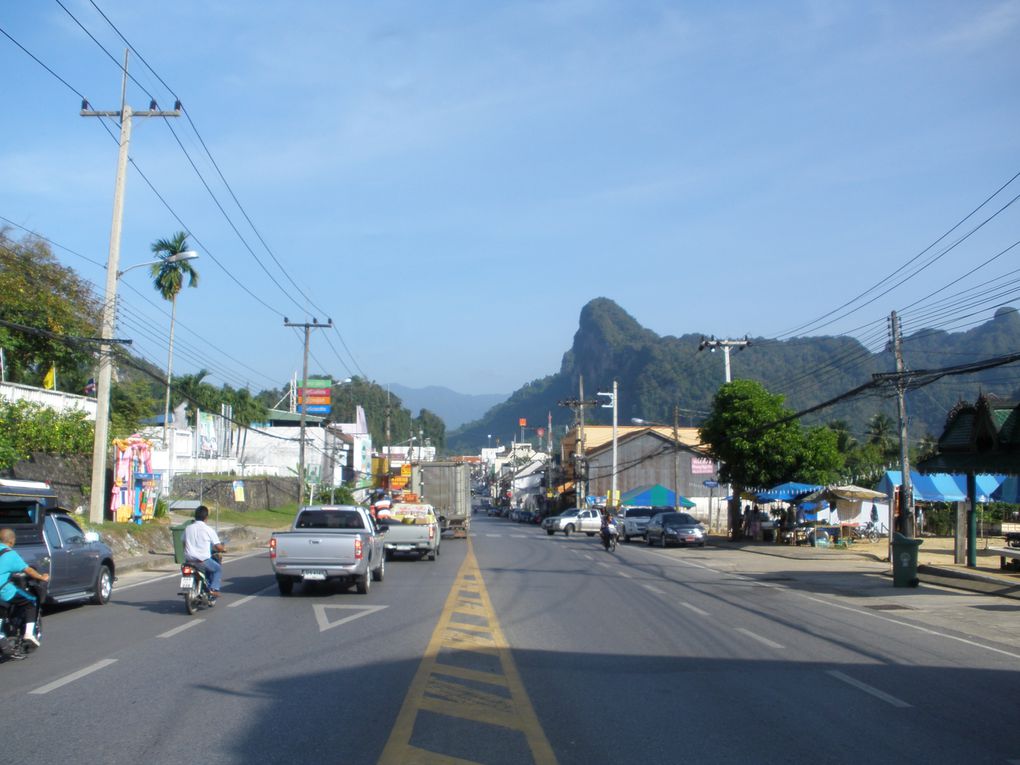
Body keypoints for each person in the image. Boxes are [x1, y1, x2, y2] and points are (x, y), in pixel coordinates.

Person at [0, 528, 50, 648]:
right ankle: (28, 634)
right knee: (31, 601)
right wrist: (41, 577)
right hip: (2, 589)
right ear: (12, 541)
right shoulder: (10, 554)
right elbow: (28, 570)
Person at [182, 506, 226, 598]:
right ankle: (213, 589)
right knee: (217, 569)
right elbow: (218, 547)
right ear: (206, 518)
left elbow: (183, 542)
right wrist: (223, 549)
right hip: (202, 560)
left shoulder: (188, 528)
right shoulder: (209, 530)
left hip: (188, 560)